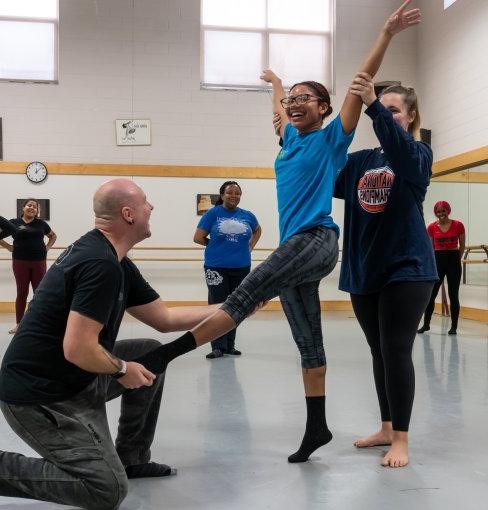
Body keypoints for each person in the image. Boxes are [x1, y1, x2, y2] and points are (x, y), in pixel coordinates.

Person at [131, 0, 423, 465]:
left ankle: (164, 356)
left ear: (325, 108)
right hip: (295, 247)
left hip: (316, 239)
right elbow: (278, 113)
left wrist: (386, 33)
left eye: (306, 99)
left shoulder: (332, 138)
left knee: (242, 299)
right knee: (308, 343)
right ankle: (317, 427)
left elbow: (357, 83)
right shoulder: (289, 140)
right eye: (292, 102)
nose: (294, 105)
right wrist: (276, 85)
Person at [0, 179, 223, 510]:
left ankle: (131, 457)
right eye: (146, 202)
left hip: (74, 377)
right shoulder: (99, 264)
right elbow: (77, 347)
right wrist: (121, 368)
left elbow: (164, 318)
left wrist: (234, 305)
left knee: (148, 353)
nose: (152, 208)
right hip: (40, 397)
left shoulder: (115, 260)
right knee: (105, 490)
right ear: (128, 214)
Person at [331, 77, 438, 467]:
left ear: (410, 116)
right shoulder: (360, 160)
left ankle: (402, 440)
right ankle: (387, 426)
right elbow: (322, 175)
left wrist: (372, 104)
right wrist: (293, 139)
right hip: (365, 269)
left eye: (394, 109)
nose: (387, 113)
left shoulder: (419, 154)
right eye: (383, 107)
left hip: (407, 270)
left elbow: (400, 150)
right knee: (379, 352)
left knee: (396, 351)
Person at [194, 181, 262, 359]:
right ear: (222, 195)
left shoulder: (248, 215)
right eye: (230, 193)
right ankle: (217, 346)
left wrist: (250, 247)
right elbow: (198, 237)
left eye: (237, 193)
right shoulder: (213, 214)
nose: (234, 196)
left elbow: (257, 230)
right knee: (218, 307)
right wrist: (215, 245)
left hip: (241, 266)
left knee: (237, 306)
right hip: (216, 267)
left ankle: (230, 345)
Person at [0, 199, 57, 334]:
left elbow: (53, 236)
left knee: (39, 293)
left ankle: (38, 323)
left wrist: (47, 248)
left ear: (37, 211)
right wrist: (8, 247)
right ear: (23, 208)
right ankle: (19, 324)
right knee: (22, 293)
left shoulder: (41, 224)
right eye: (29, 205)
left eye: (35, 207)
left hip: (39, 262)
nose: (32, 208)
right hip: (20, 261)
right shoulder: (13, 222)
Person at [418, 201, 465, 335]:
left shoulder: (458, 225)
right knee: (431, 295)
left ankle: (454, 327)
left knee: (453, 295)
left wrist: (456, 259)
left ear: (448, 211)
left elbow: (461, 245)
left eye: (443, 211)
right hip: (437, 262)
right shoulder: (432, 227)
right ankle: (426, 324)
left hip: (453, 261)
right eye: (438, 212)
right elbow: (430, 247)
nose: (441, 214)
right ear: (436, 213)